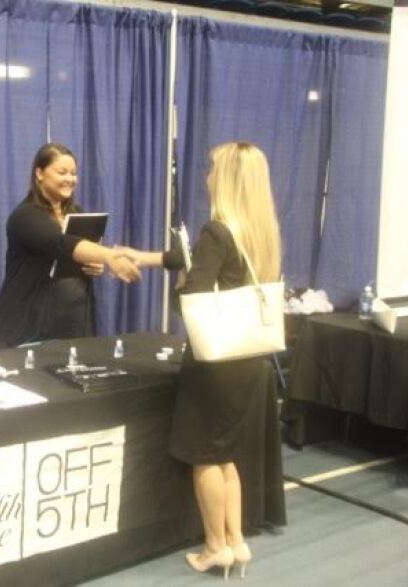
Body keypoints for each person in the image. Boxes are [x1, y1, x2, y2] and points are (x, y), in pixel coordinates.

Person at [124, 142, 282, 579]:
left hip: (215, 363)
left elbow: (193, 295)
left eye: (212, 168)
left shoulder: (218, 230)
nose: (207, 175)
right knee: (227, 455)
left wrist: (180, 293)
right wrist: (155, 257)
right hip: (249, 359)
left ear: (227, 178)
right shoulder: (259, 233)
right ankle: (235, 542)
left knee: (204, 457)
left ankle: (214, 546)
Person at [0, 143, 140, 347]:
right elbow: (62, 244)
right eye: (62, 172)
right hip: (29, 325)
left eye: (73, 174)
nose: (70, 179)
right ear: (39, 173)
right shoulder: (25, 216)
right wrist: (109, 257)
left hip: (73, 322)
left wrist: (95, 264)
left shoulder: (78, 213)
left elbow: (85, 253)